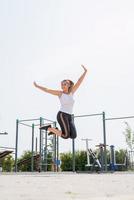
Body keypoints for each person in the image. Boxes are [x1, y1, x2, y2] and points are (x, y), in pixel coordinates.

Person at [33, 65, 87, 139]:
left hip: (70, 116)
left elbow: (79, 81)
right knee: (65, 136)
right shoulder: (60, 93)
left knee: (73, 136)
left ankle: (55, 130)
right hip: (62, 115)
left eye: (65, 84)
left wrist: (85, 72)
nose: (63, 85)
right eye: (62, 84)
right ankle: (49, 128)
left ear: (68, 85)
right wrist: (37, 86)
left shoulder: (72, 92)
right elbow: (47, 90)